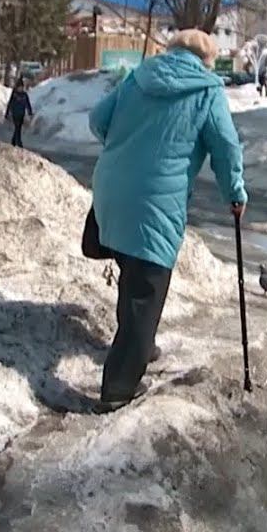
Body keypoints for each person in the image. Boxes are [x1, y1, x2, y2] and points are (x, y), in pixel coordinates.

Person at [88, 29, 247, 410]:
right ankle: (118, 389)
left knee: (134, 272)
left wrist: (126, 147)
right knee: (146, 290)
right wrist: (235, 193)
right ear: (206, 61)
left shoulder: (139, 77)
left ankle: (140, 345)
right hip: (155, 201)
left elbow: (98, 120)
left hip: (110, 187)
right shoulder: (207, 90)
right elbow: (225, 148)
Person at [5, 79, 33, 148]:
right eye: (19, 87)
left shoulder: (24, 95)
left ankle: (13, 141)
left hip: (21, 114)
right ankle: (19, 142)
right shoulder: (14, 95)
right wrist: (7, 113)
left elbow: (27, 104)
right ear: (17, 87)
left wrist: (30, 112)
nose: (20, 89)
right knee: (17, 127)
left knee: (18, 128)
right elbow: (10, 104)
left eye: (22, 87)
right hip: (15, 113)